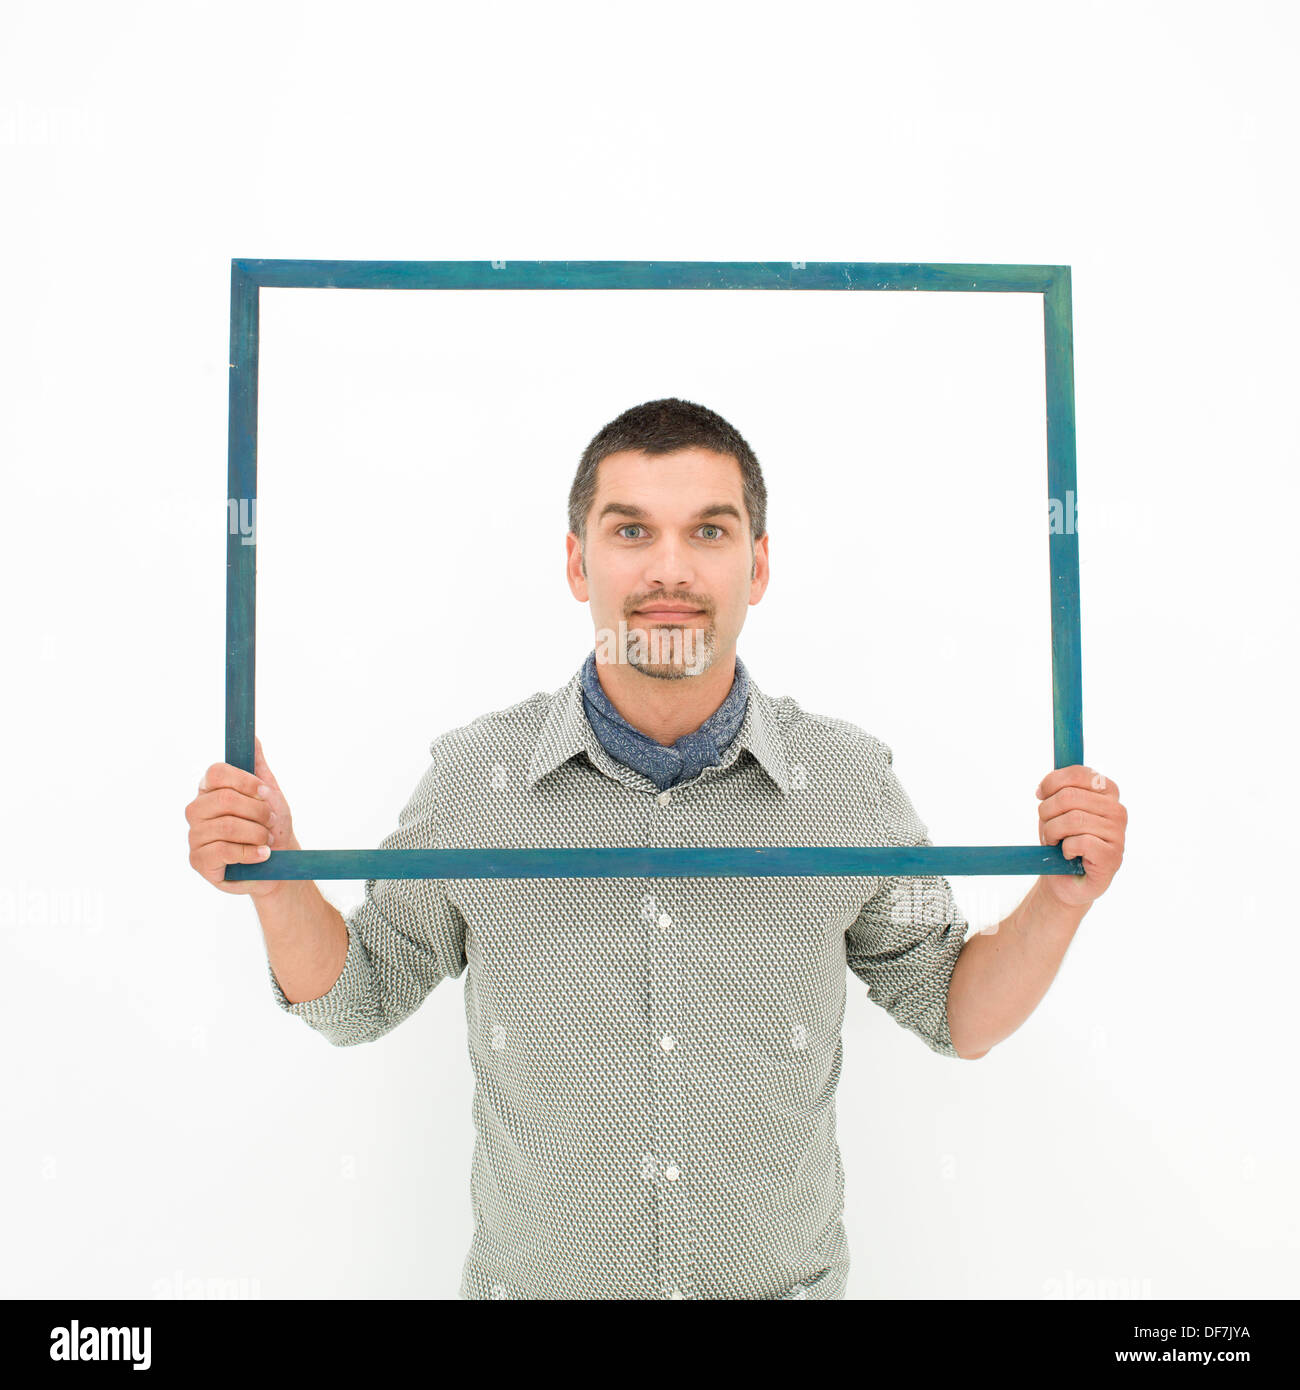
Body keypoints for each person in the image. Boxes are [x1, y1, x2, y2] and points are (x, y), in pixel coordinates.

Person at [185, 397, 1127, 1300]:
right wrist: (278, 876)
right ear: (576, 561)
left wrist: (1062, 898)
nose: (668, 569)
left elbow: (958, 1012)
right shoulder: (478, 783)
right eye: (631, 531)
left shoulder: (849, 786)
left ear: (757, 567)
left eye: (709, 532)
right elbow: (355, 1000)